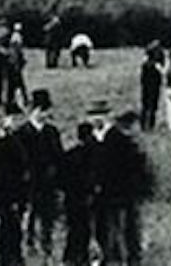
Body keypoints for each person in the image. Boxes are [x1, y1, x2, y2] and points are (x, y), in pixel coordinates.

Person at [93, 109, 151, 266]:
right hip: (120, 195)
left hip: (118, 195)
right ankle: (122, 259)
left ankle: (119, 258)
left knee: (119, 230)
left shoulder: (114, 140)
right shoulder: (123, 143)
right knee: (122, 231)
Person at [0, 101, 30, 266]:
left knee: (11, 230)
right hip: (8, 193)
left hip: (12, 193)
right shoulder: (5, 145)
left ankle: (9, 258)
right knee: (9, 230)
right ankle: (9, 257)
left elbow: (12, 172)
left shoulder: (11, 144)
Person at [19, 90, 62, 258]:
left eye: (46, 110)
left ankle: (47, 244)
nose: (43, 114)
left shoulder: (52, 132)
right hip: (30, 182)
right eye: (40, 110)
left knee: (48, 216)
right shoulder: (22, 133)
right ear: (32, 110)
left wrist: (56, 173)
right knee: (29, 214)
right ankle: (29, 242)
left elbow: (58, 156)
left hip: (48, 182)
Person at [61, 122, 97, 266]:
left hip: (72, 199)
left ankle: (70, 258)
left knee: (74, 230)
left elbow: (61, 179)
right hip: (88, 198)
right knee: (87, 230)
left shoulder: (70, 155)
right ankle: (85, 258)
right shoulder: (94, 155)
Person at [138, 44, 163, 131]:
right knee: (153, 107)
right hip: (154, 88)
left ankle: (143, 125)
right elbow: (160, 78)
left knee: (145, 106)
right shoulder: (157, 67)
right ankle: (151, 125)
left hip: (145, 88)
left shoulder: (145, 65)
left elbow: (142, 78)